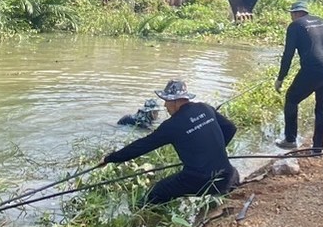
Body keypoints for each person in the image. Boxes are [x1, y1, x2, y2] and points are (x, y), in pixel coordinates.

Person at [98, 80, 237, 205]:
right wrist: (212, 153)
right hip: (227, 177)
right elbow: (230, 128)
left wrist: (109, 158)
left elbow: (141, 146)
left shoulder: (172, 125)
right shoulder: (205, 108)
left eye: (166, 101)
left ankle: (142, 215)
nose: (165, 105)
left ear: (175, 101)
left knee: (158, 191)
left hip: (199, 179)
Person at [275, 1, 323, 150]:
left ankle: (290, 139)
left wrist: (280, 78)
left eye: (291, 14)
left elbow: (288, 54)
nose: (291, 17)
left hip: (312, 70)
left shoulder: (295, 26)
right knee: (322, 109)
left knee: (291, 99)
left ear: (296, 14)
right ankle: (318, 147)